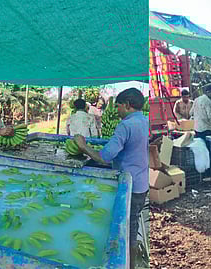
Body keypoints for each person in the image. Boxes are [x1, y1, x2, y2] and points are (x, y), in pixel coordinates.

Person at [73, 88, 148, 269]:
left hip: (129, 185)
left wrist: (83, 147)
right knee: (132, 223)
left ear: (127, 105)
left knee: (126, 231)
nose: (117, 111)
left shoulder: (125, 125)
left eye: (119, 106)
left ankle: (126, 264)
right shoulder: (145, 121)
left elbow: (104, 157)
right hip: (142, 183)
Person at [190, 84, 211, 150]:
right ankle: (209, 160)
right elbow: (210, 117)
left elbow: (190, 113)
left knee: (200, 148)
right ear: (209, 92)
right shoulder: (208, 101)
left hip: (197, 128)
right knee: (208, 149)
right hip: (205, 129)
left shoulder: (196, 99)